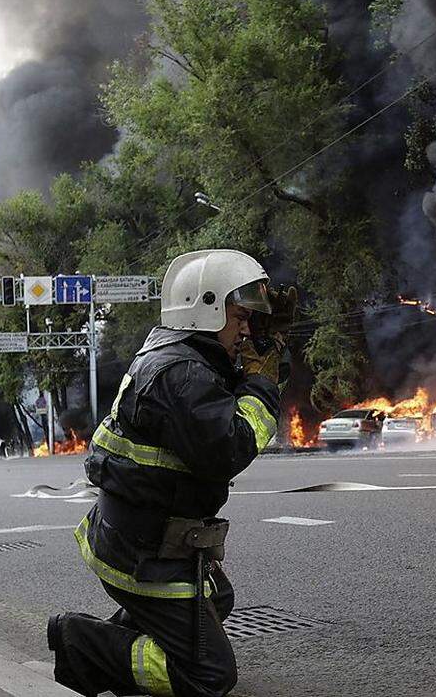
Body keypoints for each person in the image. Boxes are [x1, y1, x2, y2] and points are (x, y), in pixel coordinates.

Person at [48, 249, 296, 697]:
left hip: (136, 536)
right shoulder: (183, 374)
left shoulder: (179, 355)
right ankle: (82, 643)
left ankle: (115, 647)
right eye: (240, 317)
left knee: (217, 598)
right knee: (209, 677)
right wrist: (262, 384)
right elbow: (229, 447)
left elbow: (219, 403)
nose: (246, 329)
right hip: (143, 551)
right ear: (206, 309)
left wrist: (268, 359)